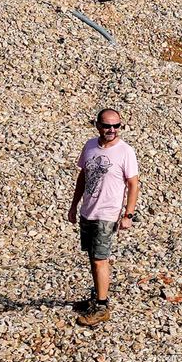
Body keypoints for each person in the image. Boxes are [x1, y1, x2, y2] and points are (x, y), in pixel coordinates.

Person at [71, 107, 139, 321]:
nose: (112, 130)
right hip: (88, 211)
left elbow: (133, 184)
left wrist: (127, 215)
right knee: (92, 256)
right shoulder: (90, 146)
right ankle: (97, 297)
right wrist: (74, 206)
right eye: (107, 125)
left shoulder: (125, 151)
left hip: (107, 214)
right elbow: (83, 176)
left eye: (116, 126)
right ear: (98, 125)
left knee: (101, 259)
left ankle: (101, 307)